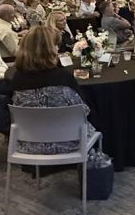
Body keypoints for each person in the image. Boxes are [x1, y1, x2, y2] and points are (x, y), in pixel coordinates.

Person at [10, 26, 96, 154]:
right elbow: (83, 112)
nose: (57, 49)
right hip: (70, 143)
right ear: (49, 49)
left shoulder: (16, 78)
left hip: (29, 144)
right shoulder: (63, 77)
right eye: (56, 45)